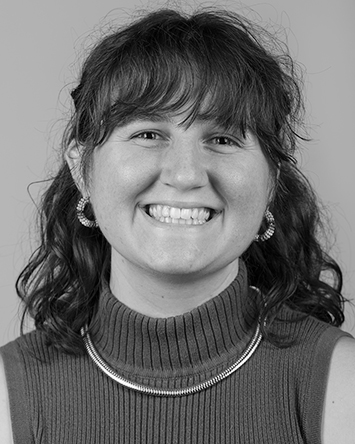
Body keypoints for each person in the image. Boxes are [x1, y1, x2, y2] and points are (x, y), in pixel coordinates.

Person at [0, 7, 354, 444]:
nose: (186, 174)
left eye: (222, 139)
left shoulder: (341, 384)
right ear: (81, 169)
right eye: (149, 134)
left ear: (271, 184)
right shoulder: (6, 395)